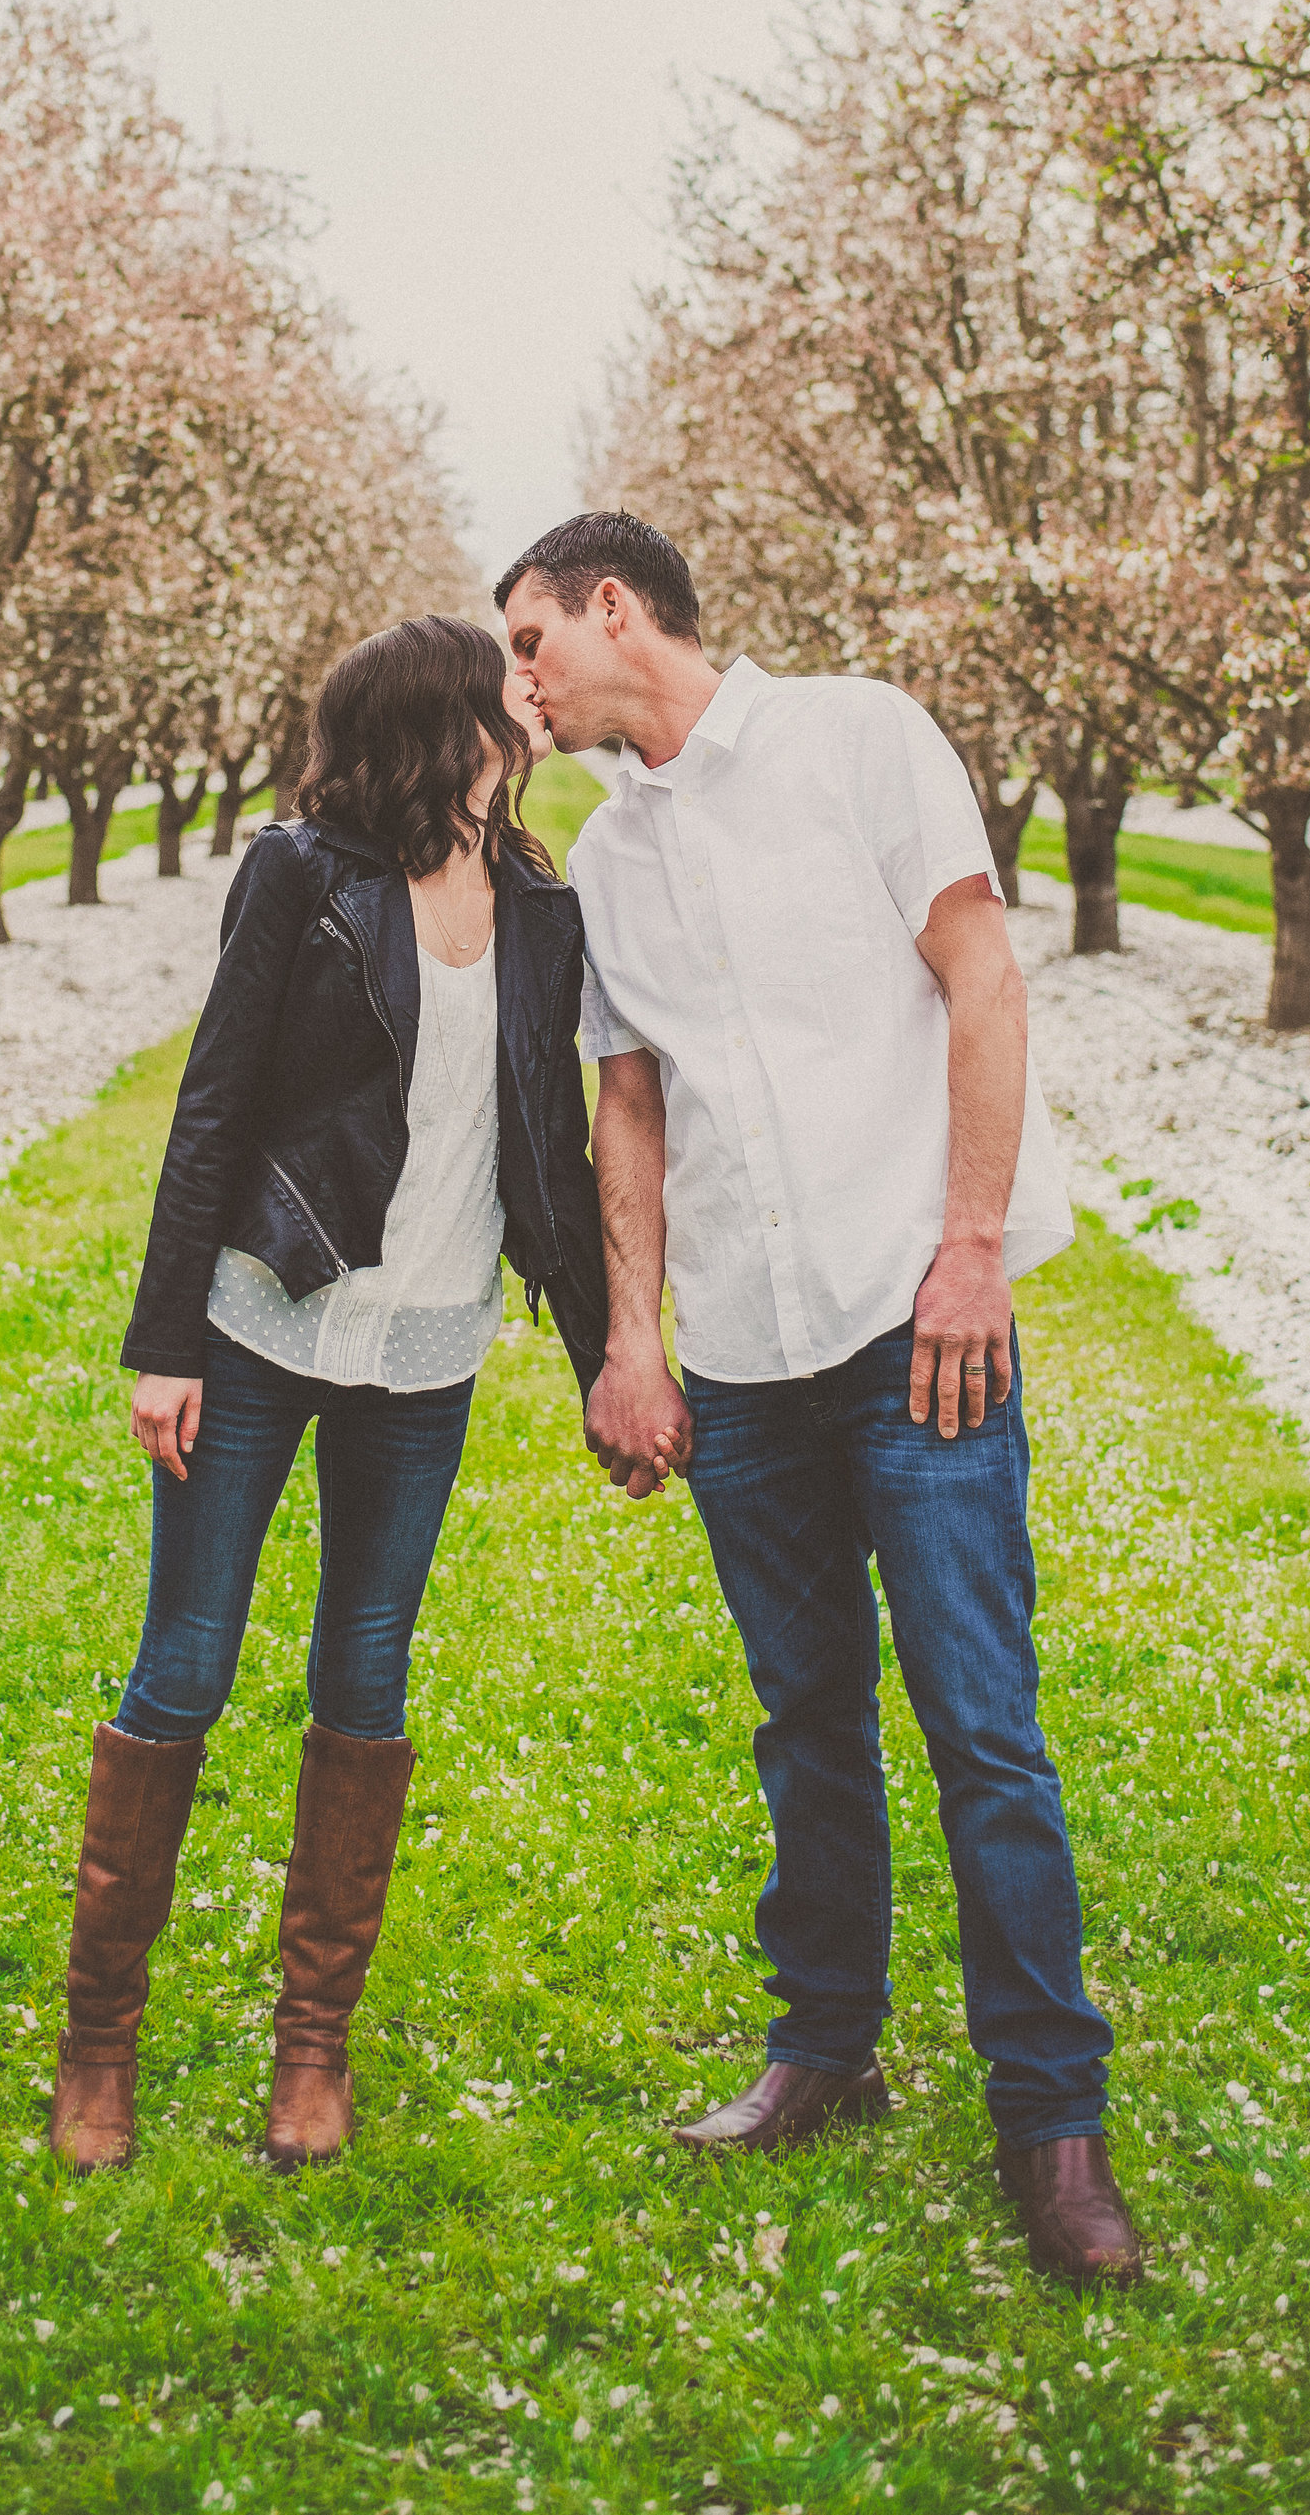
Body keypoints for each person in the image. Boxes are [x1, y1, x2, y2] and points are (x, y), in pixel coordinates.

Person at [499, 511, 1147, 2289]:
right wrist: (632, 1338)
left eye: (533, 644)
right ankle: (828, 2048)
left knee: (980, 1724)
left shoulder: (865, 737)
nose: (522, 686)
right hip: (742, 1358)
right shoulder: (608, 860)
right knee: (807, 1716)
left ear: (612, 606)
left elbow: (983, 977)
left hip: (909, 1316)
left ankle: (1053, 2124)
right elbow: (626, 1100)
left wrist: (972, 1246)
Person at [48, 614, 608, 2177]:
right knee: (188, 1665)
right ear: (444, 713)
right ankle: (100, 2044)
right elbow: (215, 1102)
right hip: (257, 1323)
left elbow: (546, 1143)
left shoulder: (544, 904)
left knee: (365, 1676)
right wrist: (164, 1341)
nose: (533, 687)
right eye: (508, 673)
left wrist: (606, 1362)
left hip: (422, 1353)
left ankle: (314, 2048)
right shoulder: (303, 876)